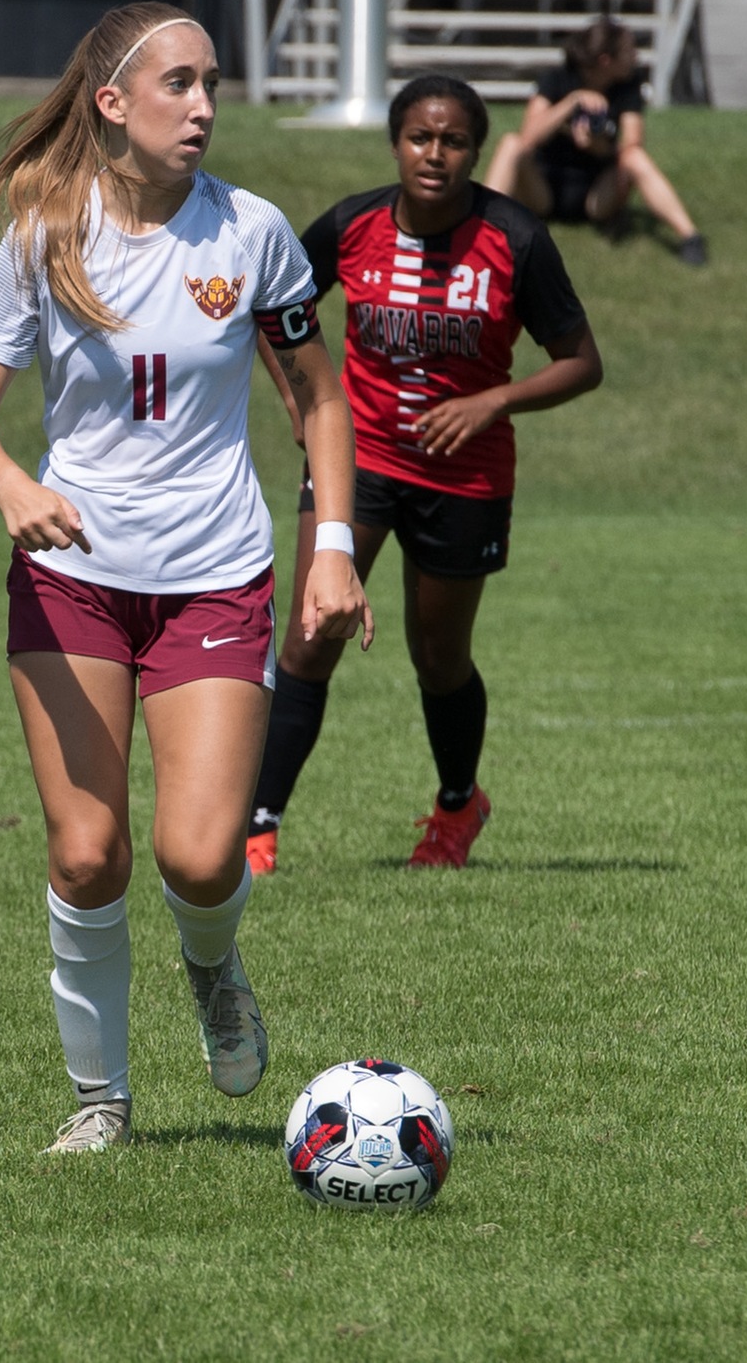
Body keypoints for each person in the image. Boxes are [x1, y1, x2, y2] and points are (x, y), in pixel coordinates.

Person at [0, 2, 372, 1154]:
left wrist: (332, 548)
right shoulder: (45, 230)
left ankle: (213, 963)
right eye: (178, 85)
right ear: (111, 104)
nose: (204, 108)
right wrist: (8, 487)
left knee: (195, 856)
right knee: (86, 853)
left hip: (216, 578)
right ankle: (100, 1101)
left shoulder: (254, 232)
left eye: (212, 84)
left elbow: (318, 398)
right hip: (70, 580)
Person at [247, 73, 602, 875]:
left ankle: (456, 807)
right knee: (306, 639)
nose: (433, 155)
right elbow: (270, 312)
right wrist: (300, 400)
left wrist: (494, 402)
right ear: (395, 142)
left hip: (464, 478)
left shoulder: (514, 238)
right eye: (418, 137)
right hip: (359, 462)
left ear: (475, 152)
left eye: (452, 142)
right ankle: (256, 830)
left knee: (437, 658)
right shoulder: (352, 223)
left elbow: (582, 364)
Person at [481, 18, 707, 265]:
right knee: (511, 143)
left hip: (595, 196)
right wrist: (572, 103)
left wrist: (599, 147)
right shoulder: (557, 79)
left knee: (634, 157)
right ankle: (482, 232)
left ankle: (690, 237)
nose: (636, 57)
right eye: (629, 51)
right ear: (605, 61)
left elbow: (633, 143)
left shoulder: (628, 86)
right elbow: (528, 137)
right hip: (543, 191)